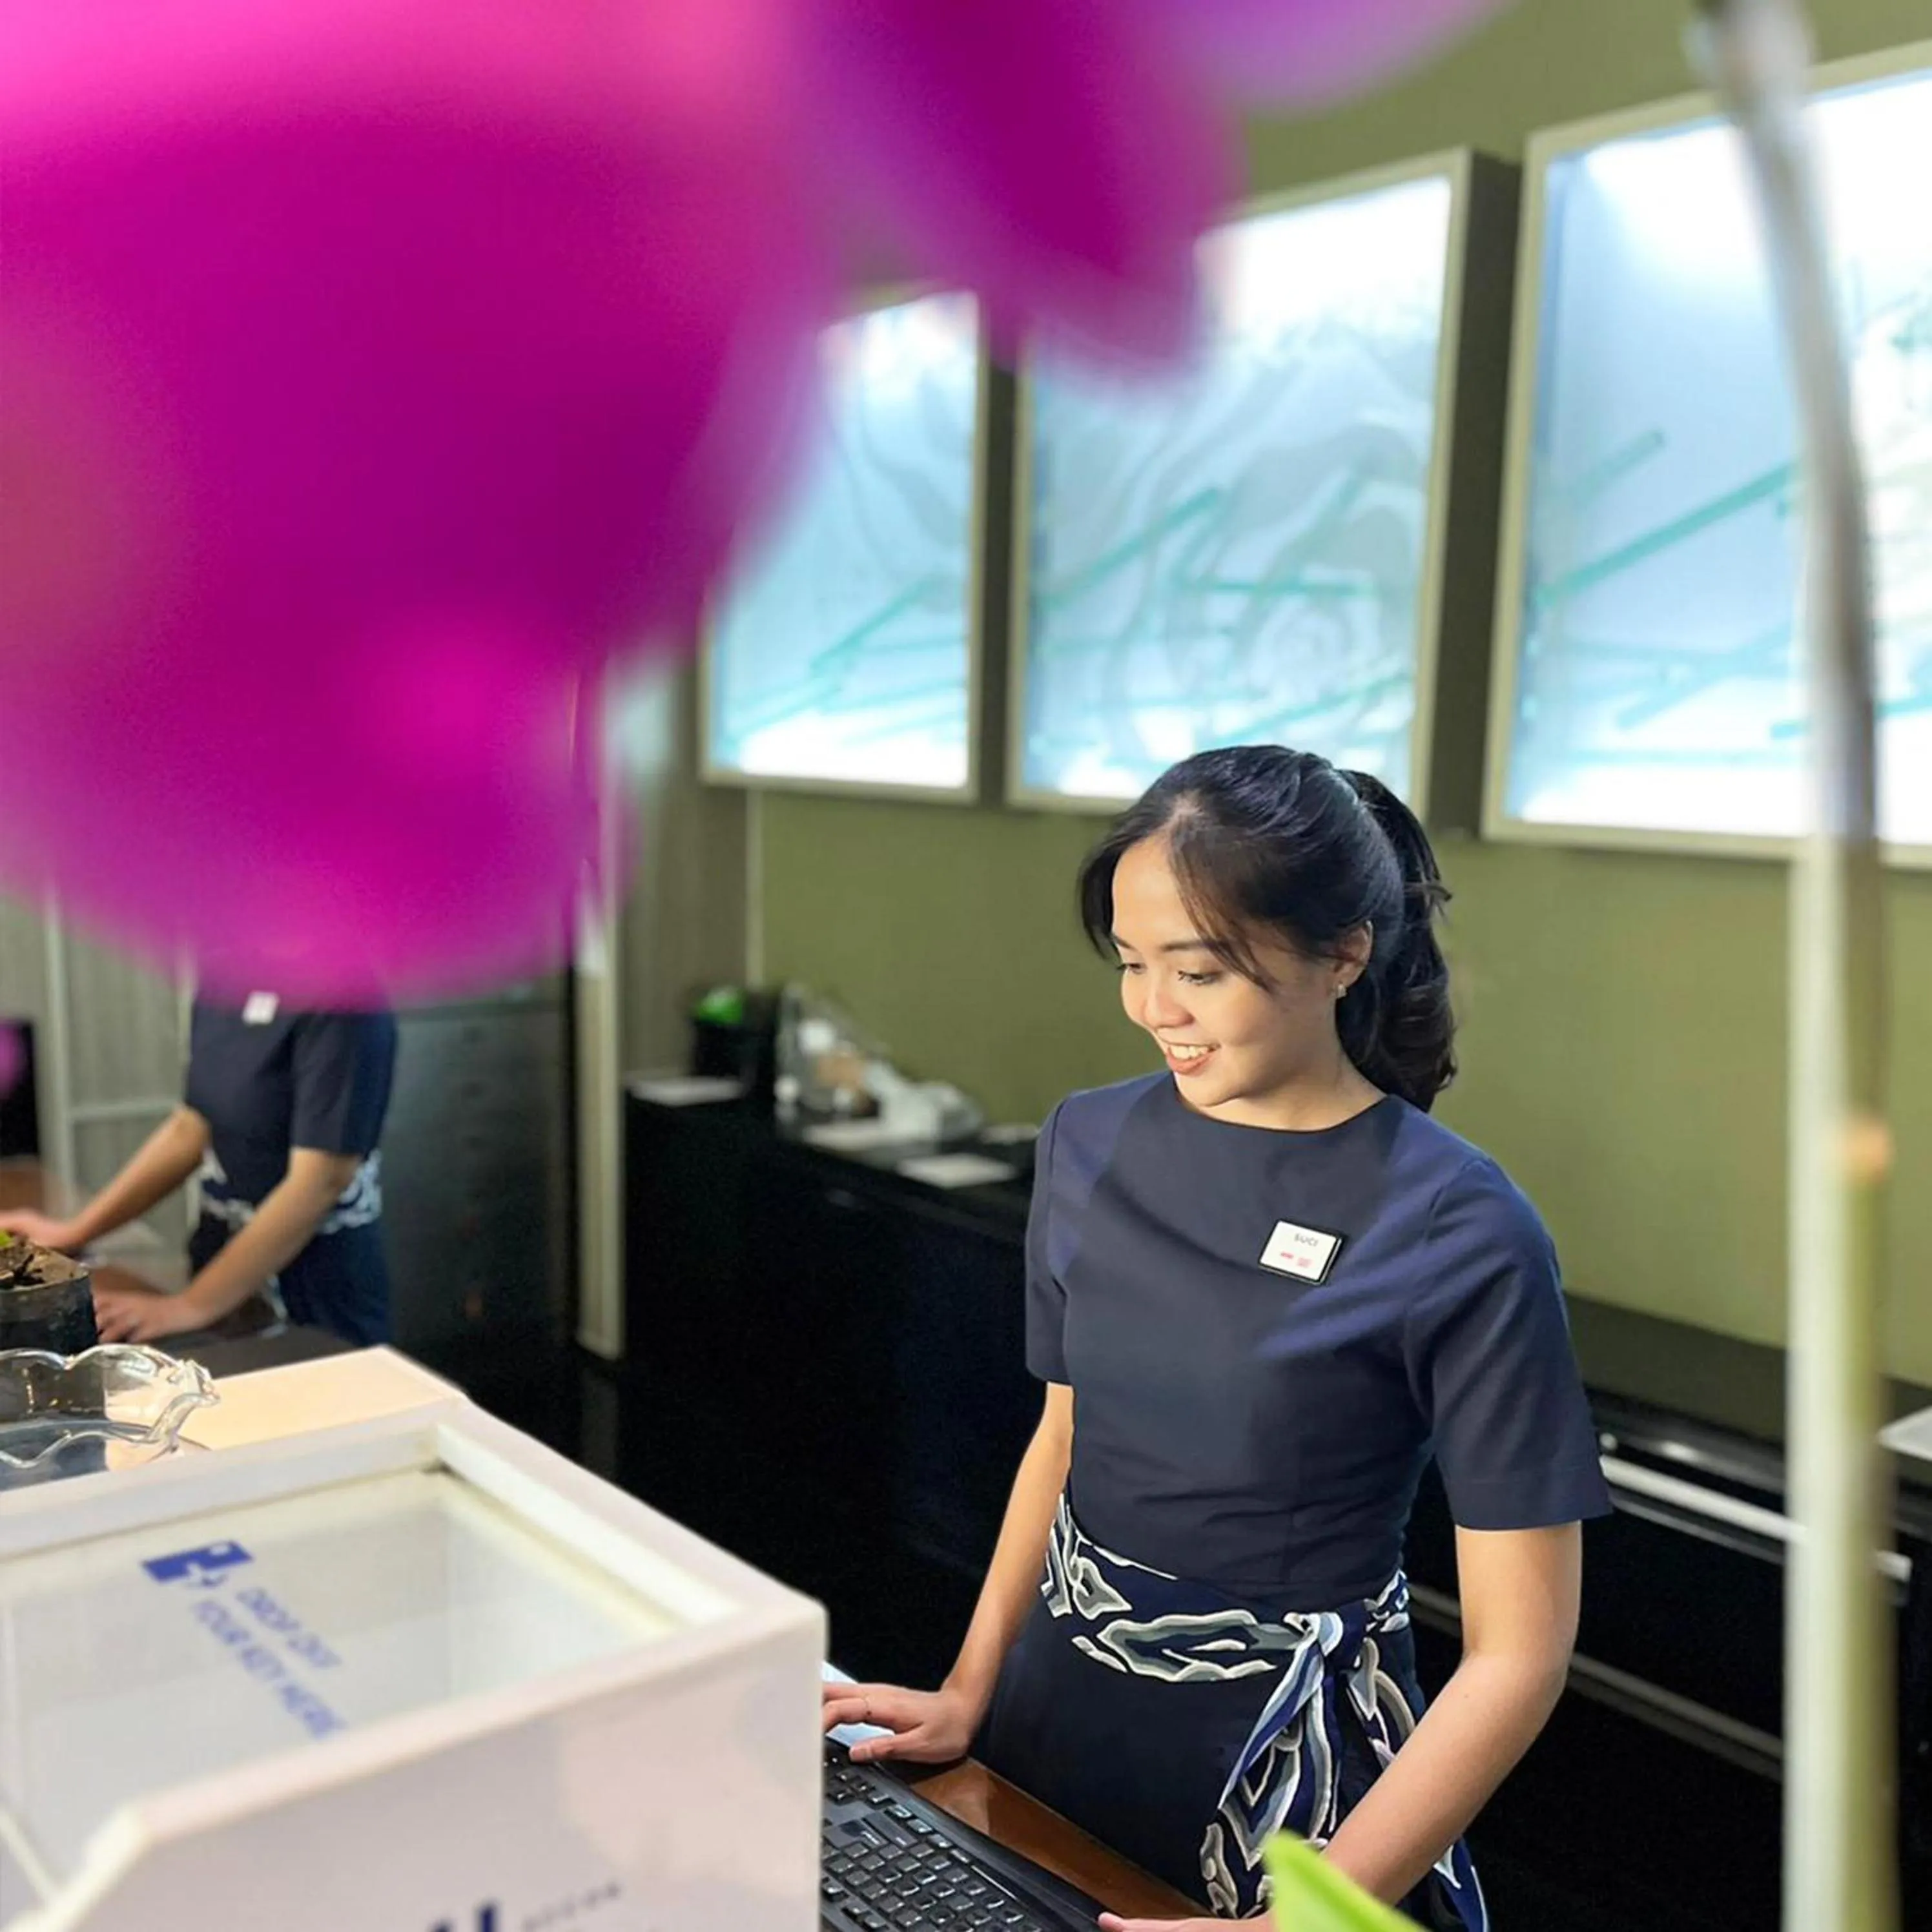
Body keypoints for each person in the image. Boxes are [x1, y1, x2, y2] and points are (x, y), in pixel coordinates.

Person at [821, 746, 1612, 1929]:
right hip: (1056, 1722)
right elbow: (1064, 1438)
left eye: (1197, 970)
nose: (1154, 1009)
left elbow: (1520, 1651)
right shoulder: (1088, 1141)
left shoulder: (1462, 1224)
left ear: (1342, 954)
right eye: (1133, 964)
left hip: (1292, 1793)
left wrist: (1304, 1916)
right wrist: (967, 1687)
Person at [0, 996, 398, 1348]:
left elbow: (320, 1180)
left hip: (315, 1295)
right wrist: (76, 1232)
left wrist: (189, 1306)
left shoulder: (347, 998)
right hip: (221, 1279)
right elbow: (191, 1127)